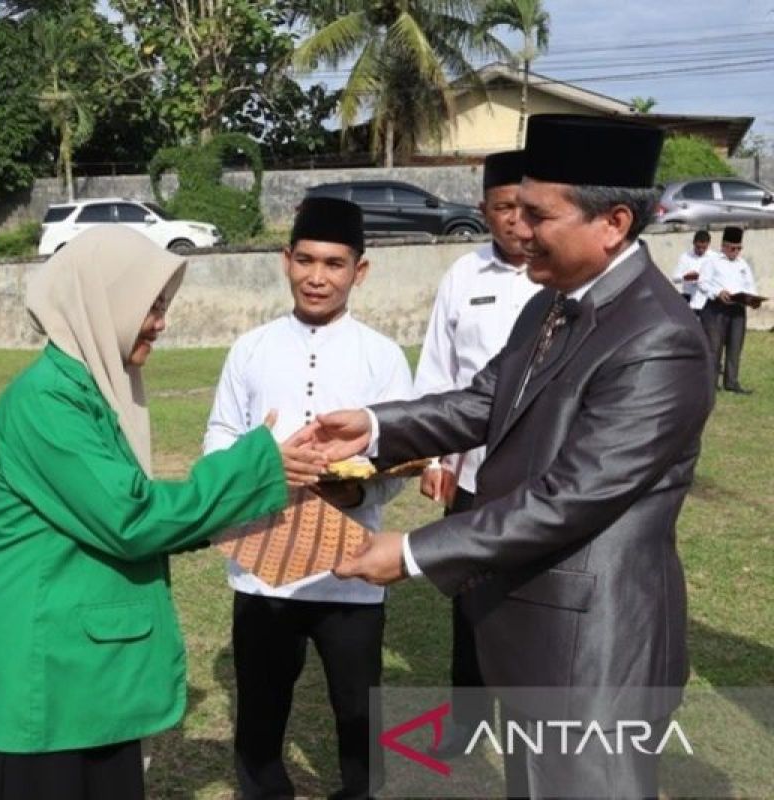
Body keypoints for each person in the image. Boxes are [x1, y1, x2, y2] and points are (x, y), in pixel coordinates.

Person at [306, 114, 715, 798]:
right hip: (534, 637)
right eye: (513, 210)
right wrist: (373, 428)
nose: (516, 229)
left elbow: (569, 498)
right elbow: (481, 402)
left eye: (536, 214)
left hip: (597, 656)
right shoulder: (552, 303)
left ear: (613, 223)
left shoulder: (658, 340)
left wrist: (411, 553)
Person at [0, 226, 321, 800]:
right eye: (150, 307)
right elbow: (130, 518)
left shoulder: (88, 393)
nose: (160, 323)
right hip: (37, 685)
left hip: (75, 679)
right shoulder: (46, 402)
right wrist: (254, 468)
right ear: (102, 303)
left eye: (162, 307)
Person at [203, 197, 412, 800]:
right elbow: (218, 437)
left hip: (351, 569)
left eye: (335, 263)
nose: (318, 277)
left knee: (359, 711)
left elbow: (402, 451)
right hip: (263, 566)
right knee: (261, 714)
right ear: (285, 261)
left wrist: (358, 484)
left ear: (359, 271)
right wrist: (263, 467)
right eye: (306, 260)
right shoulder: (251, 347)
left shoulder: (382, 355)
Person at [412, 149, 540, 759]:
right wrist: (433, 459)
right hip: (472, 473)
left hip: (544, 479)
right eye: (501, 209)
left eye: (526, 207)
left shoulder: (562, 276)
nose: (516, 222)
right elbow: (438, 371)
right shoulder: (463, 277)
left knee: (537, 599)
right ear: (483, 209)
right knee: (468, 602)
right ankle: (467, 720)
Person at [699, 226, 762, 394]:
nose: (736, 252)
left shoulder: (743, 264)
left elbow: (750, 286)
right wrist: (717, 292)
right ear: (724, 246)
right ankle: (710, 383)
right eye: (733, 248)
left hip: (737, 309)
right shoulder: (711, 261)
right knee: (714, 347)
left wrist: (753, 299)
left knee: (735, 346)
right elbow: (703, 283)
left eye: (739, 248)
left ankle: (732, 382)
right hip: (716, 308)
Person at [669, 229, 712, 313]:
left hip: (706, 300)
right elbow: (675, 277)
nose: (701, 250)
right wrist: (686, 276)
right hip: (689, 299)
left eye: (704, 248)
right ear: (694, 243)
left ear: (708, 244)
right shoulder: (685, 257)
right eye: (698, 247)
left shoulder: (714, 257)